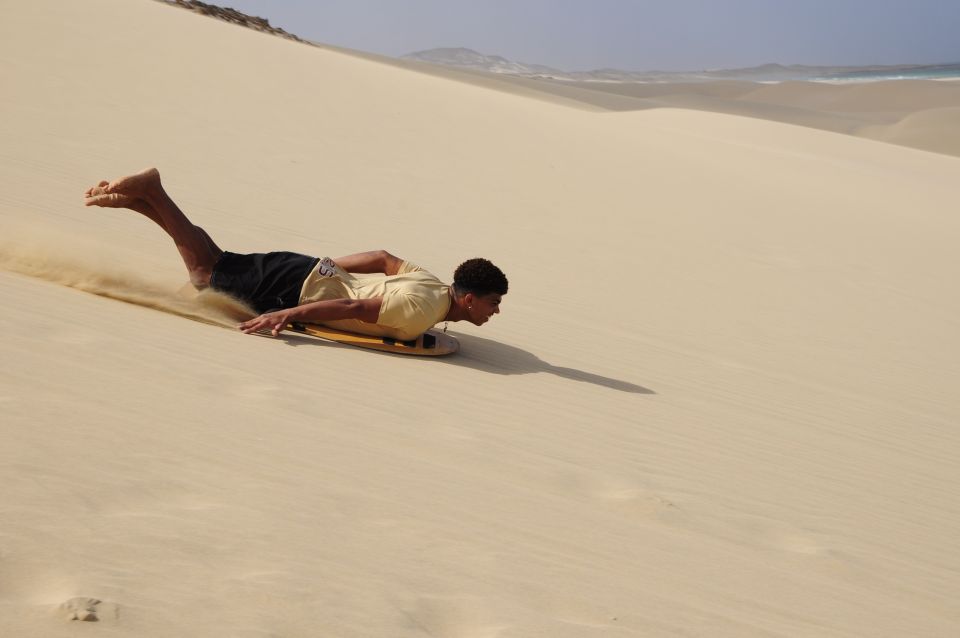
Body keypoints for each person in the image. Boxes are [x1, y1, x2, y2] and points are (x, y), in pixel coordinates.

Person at [83, 168, 507, 339]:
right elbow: (354, 305)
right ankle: (153, 189)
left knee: (217, 260)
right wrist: (285, 314)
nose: (495, 312)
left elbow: (381, 257)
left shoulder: (431, 282)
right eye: (493, 303)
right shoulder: (421, 310)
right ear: (469, 299)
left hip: (305, 269)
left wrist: (324, 268)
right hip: (298, 288)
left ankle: (137, 200)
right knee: (203, 275)